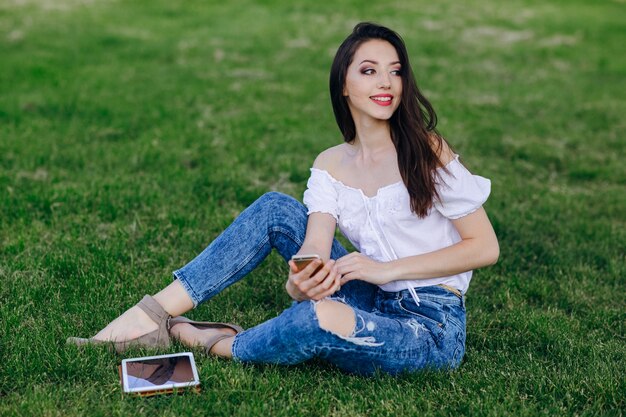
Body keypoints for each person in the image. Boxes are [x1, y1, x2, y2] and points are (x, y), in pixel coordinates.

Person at [68, 22, 499, 376]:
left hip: (429, 324)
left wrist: (383, 269)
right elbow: (314, 242)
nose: (386, 83)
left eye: (396, 71)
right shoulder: (331, 164)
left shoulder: (427, 150)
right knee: (277, 208)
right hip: (365, 292)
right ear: (343, 85)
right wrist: (302, 279)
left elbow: (484, 247)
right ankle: (148, 317)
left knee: (315, 321)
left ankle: (218, 341)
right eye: (368, 71)